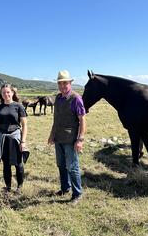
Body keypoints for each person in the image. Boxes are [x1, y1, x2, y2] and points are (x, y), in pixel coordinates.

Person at [48, 70, 86, 203]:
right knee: (61, 165)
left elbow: (82, 120)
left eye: (65, 83)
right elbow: (56, 119)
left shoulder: (76, 98)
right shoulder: (58, 98)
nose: (63, 86)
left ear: (70, 83)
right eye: (60, 83)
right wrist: (51, 135)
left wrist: (80, 139)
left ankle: (77, 193)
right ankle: (65, 188)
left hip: (71, 139)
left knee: (72, 166)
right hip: (58, 137)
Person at [0, 84, 28, 193]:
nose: (6, 94)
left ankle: (19, 187)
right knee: (6, 164)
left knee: (18, 163)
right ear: (1, 94)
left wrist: (23, 141)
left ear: (12, 93)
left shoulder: (19, 106)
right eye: (3, 92)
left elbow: (24, 125)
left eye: (8, 92)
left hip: (15, 137)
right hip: (2, 138)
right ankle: (8, 187)